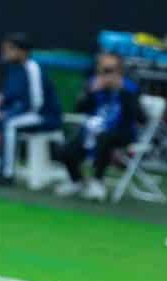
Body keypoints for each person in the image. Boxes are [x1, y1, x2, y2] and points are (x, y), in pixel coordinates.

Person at [0, 32, 62, 185]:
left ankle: (6, 175)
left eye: (9, 49)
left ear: (22, 52)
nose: (5, 53)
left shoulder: (33, 68)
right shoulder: (13, 69)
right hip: (20, 115)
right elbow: (7, 98)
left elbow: (36, 104)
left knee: (9, 124)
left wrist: (5, 115)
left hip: (44, 117)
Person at [54, 52, 142, 200]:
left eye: (109, 70)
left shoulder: (130, 88)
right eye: (102, 69)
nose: (105, 74)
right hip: (92, 129)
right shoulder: (93, 84)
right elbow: (79, 109)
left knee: (104, 139)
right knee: (64, 150)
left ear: (119, 71)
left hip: (122, 131)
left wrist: (122, 92)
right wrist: (90, 92)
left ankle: (98, 181)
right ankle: (76, 181)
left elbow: (138, 116)